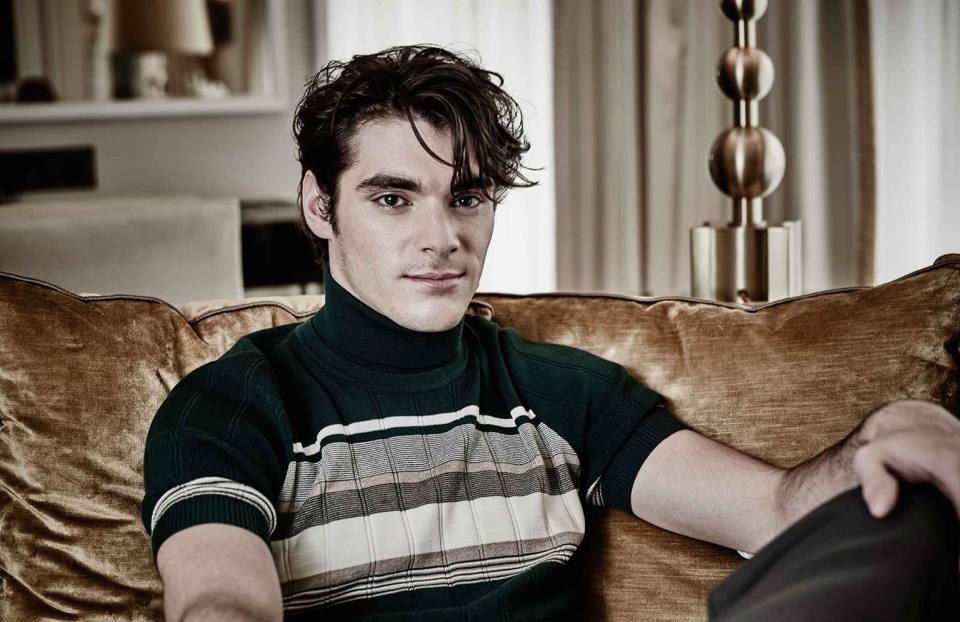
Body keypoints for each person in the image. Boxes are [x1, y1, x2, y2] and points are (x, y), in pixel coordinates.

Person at [141, 45, 960, 622]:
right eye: (393, 199)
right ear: (320, 207)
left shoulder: (559, 388)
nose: (442, 238)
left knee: (909, 516)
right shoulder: (232, 404)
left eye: (467, 198)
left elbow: (774, 512)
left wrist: (884, 432)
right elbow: (222, 601)